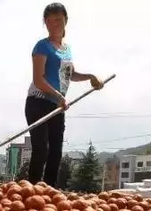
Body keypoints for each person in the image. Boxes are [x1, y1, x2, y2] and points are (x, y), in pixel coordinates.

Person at [26, 2, 104, 187]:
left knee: (56, 151)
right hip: (38, 102)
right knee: (41, 149)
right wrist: (59, 96)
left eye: (59, 20)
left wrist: (90, 77)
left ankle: (49, 191)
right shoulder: (42, 46)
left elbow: (70, 75)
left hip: (57, 105)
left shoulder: (67, 49)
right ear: (45, 23)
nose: (55, 24)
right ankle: (31, 191)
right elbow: (38, 79)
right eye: (50, 21)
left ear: (66, 21)